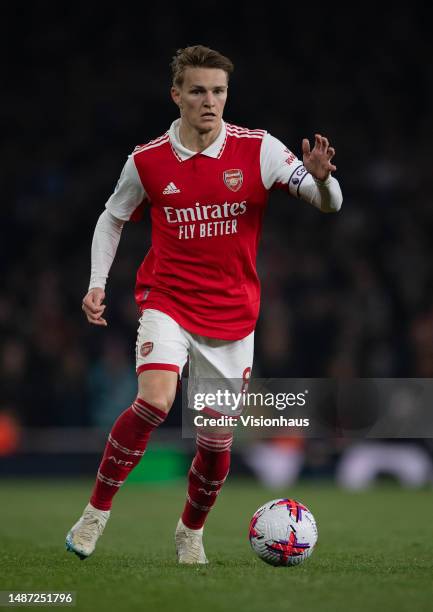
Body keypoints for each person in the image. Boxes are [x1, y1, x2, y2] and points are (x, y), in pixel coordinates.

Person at [65, 45, 342, 564]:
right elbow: (112, 217)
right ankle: (94, 516)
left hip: (232, 314)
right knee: (155, 401)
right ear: (177, 96)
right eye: (197, 91)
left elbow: (331, 204)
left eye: (217, 91)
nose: (209, 101)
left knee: (215, 445)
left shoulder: (257, 148)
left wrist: (323, 179)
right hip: (167, 298)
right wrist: (96, 282)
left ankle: (190, 532)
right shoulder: (146, 160)